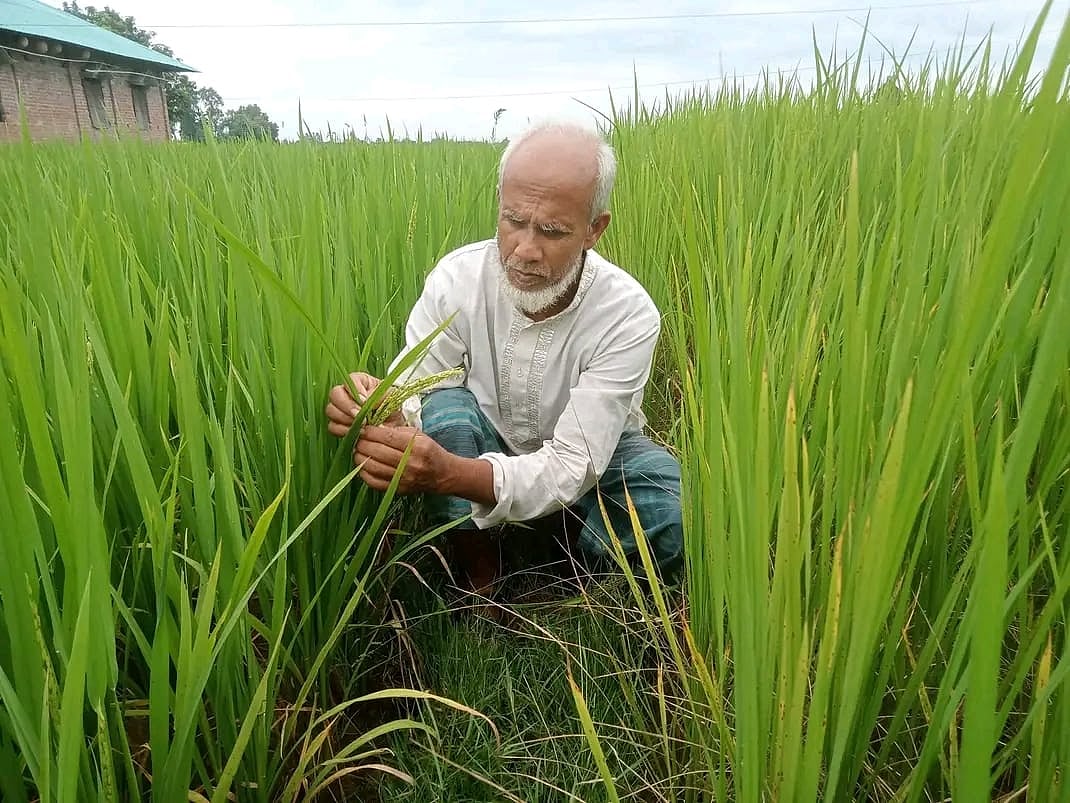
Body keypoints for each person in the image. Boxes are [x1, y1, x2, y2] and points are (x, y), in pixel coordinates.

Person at [324, 119, 683, 595]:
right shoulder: (458, 279)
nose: (525, 250)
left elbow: (576, 463)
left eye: (552, 231)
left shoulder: (626, 313)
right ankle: (481, 575)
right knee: (446, 410)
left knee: (668, 500)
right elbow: (418, 385)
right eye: (513, 221)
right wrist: (375, 405)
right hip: (489, 440)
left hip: (594, 457)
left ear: (595, 229)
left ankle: (590, 579)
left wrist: (450, 473)